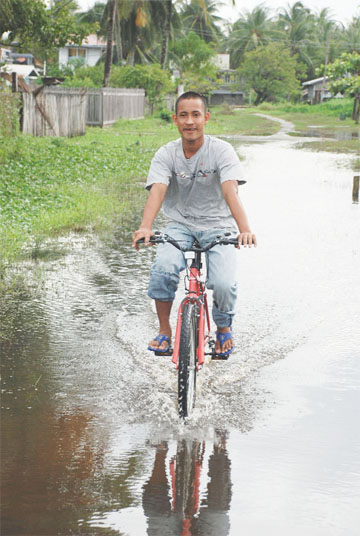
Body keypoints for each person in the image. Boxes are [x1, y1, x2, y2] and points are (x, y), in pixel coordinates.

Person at [132, 91, 256, 356]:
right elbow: (158, 189)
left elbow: (229, 190)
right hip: (179, 224)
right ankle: (165, 330)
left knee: (223, 283)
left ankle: (223, 328)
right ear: (175, 120)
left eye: (196, 115)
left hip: (218, 225)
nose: (190, 121)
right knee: (163, 270)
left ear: (206, 118)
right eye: (184, 115)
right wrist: (146, 226)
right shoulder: (167, 154)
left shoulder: (221, 150)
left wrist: (244, 229)